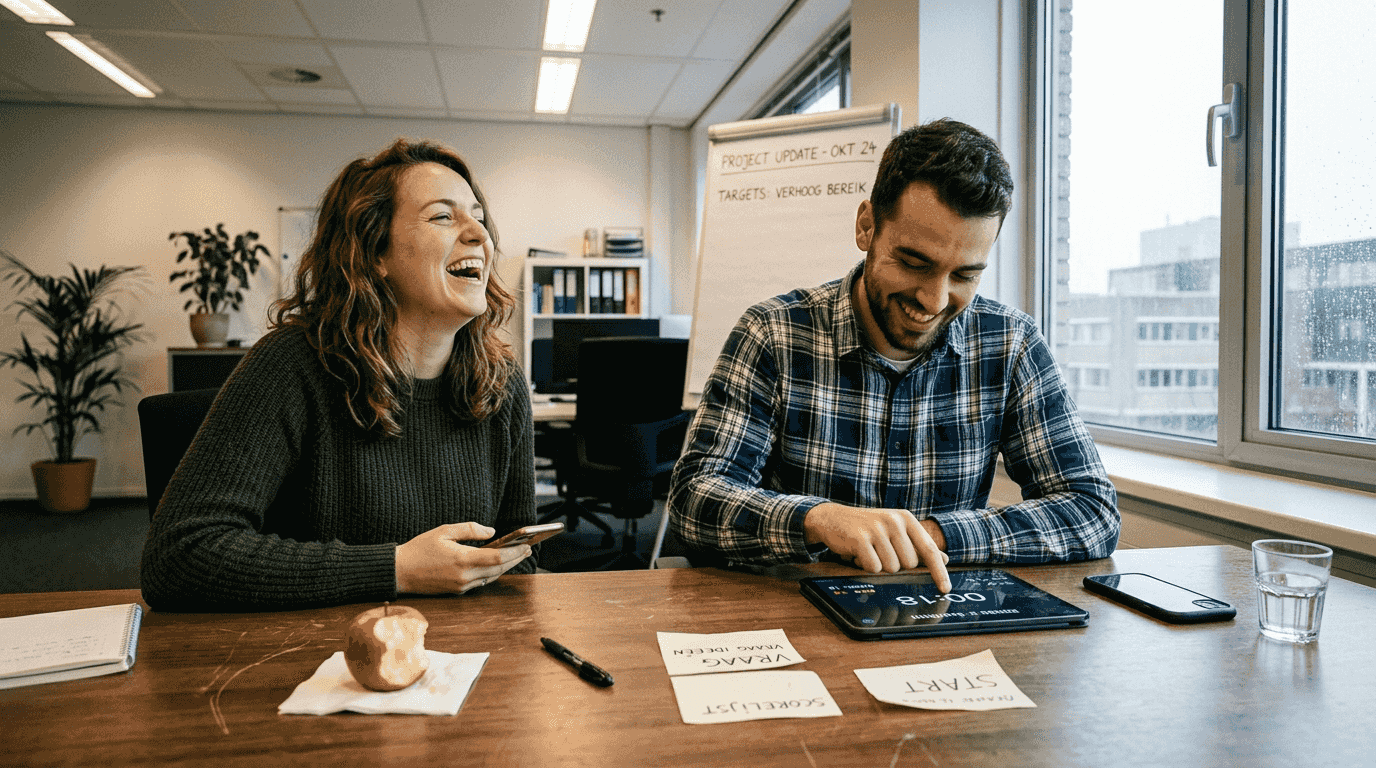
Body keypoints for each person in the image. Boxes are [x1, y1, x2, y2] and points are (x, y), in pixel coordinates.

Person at [669, 118, 1119, 592]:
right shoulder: (773, 335)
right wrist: (819, 520)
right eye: (913, 263)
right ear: (866, 227)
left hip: (938, 618)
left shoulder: (1010, 344)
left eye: (964, 275)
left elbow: (1092, 511)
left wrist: (929, 536)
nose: (935, 300)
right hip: (796, 617)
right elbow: (693, 501)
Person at [141, 138, 537, 611]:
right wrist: (396, 569)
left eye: (478, 216)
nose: (479, 234)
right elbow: (179, 555)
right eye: (443, 216)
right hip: (316, 662)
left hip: (460, 662)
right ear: (375, 254)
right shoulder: (292, 364)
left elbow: (521, 562)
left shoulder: (501, 381)